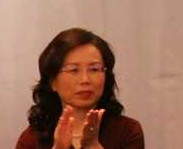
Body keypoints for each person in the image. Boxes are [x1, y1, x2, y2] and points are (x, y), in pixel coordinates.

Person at [15, 28, 143, 149]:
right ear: (53, 82)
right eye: (73, 70)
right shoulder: (31, 139)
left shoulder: (127, 131)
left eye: (94, 69)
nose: (85, 79)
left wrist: (93, 146)